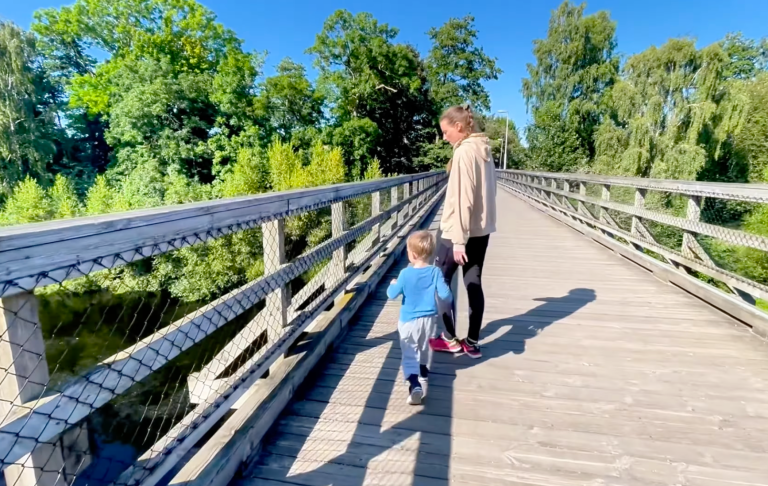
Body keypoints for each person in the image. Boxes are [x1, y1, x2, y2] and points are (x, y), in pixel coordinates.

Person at [429, 104, 497, 359]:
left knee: (441, 283)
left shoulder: (464, 153)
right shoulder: (485, 151)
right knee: (473, 283)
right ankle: (473, 341)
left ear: (459, 127)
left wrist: (459, 241)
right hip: (481, 231)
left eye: (446, 131)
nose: (444, 137)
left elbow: (463, 199)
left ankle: (449, 339)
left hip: (456, 232)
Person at [387, 230, 453, 405]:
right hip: (429, 321)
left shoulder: (405, 274)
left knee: (409, 353)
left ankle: (414, 385)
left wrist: (392, 284)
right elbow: (446, 296)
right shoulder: (435, 272)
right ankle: (423, 376)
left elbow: (392, 294)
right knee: (424, 349)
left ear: (413, 254)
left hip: (408, 322)